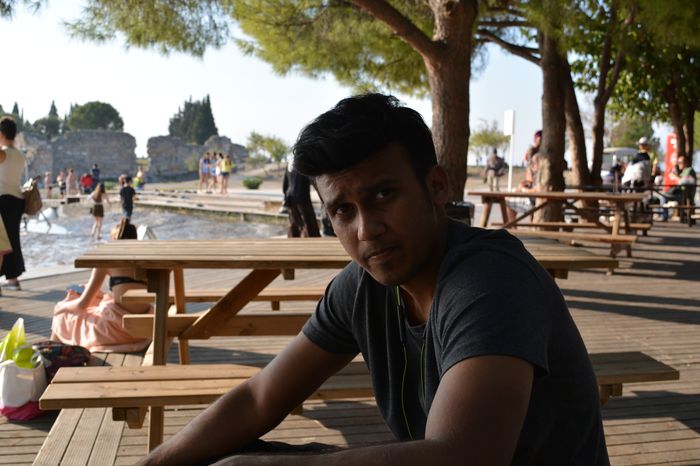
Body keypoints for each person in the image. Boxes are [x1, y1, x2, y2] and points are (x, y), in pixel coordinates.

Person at [139, 94, 608, 466]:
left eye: (383, 195)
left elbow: (465, 456)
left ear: (436, 186)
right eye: (343, 210)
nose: (366, 230)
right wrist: (154, 463)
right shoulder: (362, 286)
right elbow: (259, 398)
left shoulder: (490, 282)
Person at [50, 219, 152, 352]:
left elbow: (82, 305)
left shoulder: (106, 260)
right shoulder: (146, 260)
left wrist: (60, 307)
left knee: (63, 316)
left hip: (119, 332)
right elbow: (129, 289)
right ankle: (52, 353)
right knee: (97, 299)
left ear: (113, 240)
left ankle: (51, 354)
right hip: (144, 329)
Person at [0, 117, 26, 293]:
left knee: (2, 242)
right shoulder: (20, 154)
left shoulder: (4, 153)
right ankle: (13, 279)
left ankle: (11, 280)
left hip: (3, 199)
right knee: (12, 240)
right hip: (17, 200)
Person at [282, 156, 320, 237]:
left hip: (290, 198)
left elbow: (285, 184)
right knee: (308, 221)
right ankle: (312, 240)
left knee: (294, 221)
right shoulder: (304, 163)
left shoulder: (289, 163)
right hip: (302, 197)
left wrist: (286, 195)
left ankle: (294, 238)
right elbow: (314, 180)